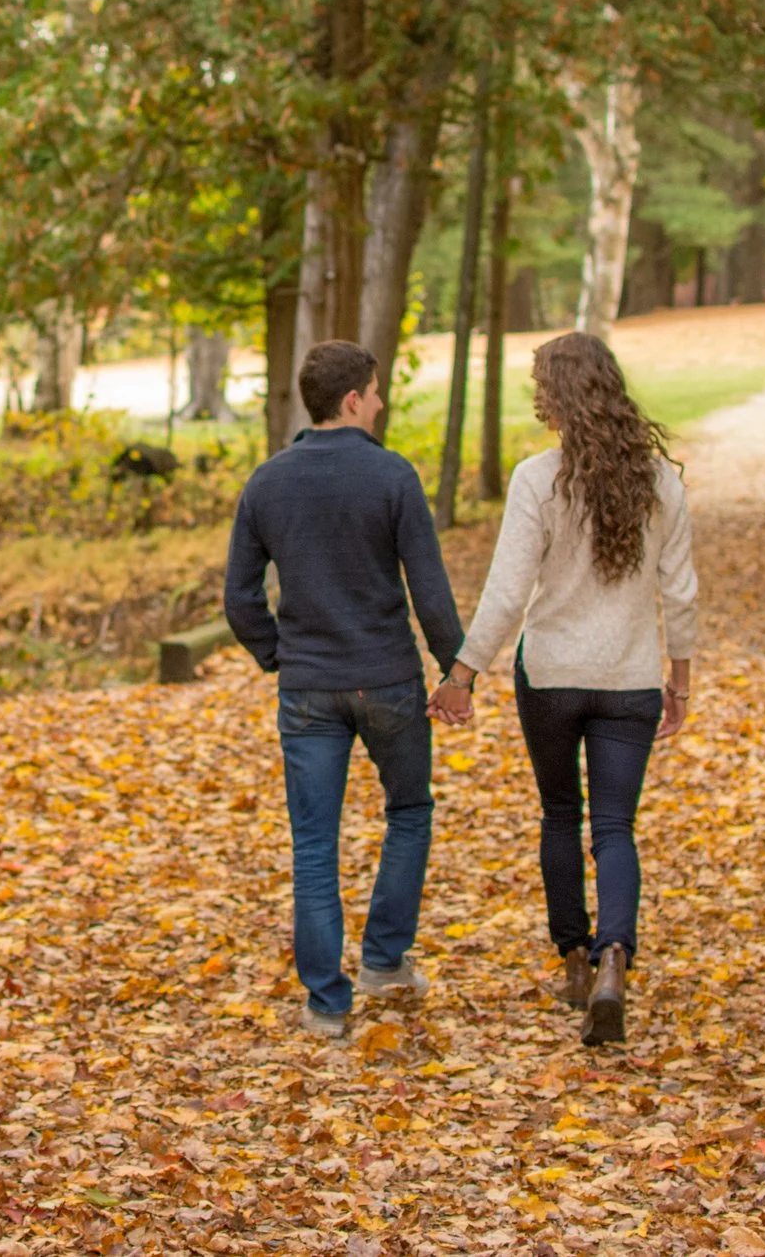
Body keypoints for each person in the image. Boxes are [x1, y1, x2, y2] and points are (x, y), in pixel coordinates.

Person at [434, 331, 697, 1047]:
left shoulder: (536, 479)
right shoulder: (661, 481)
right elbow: (682, 592)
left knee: (560, 812)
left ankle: (575, 960)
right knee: (615, 826)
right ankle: (617, 957)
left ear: (556, 398)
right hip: (629, 677)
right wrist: (680, 675)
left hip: (550, 675)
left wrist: (463, 672)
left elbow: (506, 591)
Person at [225, 340, 469, 1040]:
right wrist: (455, 671)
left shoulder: (267, 482)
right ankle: (385, 960)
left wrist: (279, 656)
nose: (382, 403)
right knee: (411, 811)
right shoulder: (393, 476)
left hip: (307, 689)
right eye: (378, 392)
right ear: (354, 399)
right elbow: (430, 591)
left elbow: (239, 597)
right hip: (388, 678)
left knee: (313, 843)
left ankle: (327, 1005)